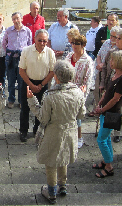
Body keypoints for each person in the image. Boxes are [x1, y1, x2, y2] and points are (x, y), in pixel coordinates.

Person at [27, 60, 85, 204]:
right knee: (64, 157)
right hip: (70, 131)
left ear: (56, 77)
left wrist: (31, 100)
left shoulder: (50, 95)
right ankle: (63, 186)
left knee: (51, 162)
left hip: (54, 133)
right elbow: (81, 114)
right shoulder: (78, 92)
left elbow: (43, 118)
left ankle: (52, 192)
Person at [92, 50, 122, 178]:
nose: (110, 62)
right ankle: (106, 159)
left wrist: (102, 109)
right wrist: (100, 103)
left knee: (101, 139)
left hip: (112, 113)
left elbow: (115, 99)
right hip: (106, 111)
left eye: (112, 60)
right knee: (106, 137)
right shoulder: (115, 75)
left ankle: (109, 167)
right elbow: (107, 92)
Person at [19, 29, 55, 142]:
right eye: (40, 40)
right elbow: (21, 70)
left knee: (41, 108)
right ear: (34, 39)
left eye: (45, 41)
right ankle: (23, 131)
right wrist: (31, 85)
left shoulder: (50, 52)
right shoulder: (26, 50)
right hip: (27, 82)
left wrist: (41, 85)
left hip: (43, 83)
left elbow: (52, 71)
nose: (42, 43)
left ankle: (37, 130)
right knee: (25, 108)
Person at [64, 34, 93, 148]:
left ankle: (79, 137)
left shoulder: (87, 60)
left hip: (78, 92)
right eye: (73, 43)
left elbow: (88, 79)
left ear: (83, 45)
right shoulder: (69, 56)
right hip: (66, 90)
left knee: (77, 117)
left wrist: (83, 93)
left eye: (77, 43)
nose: (74, 46)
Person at [89, 26, 121, 116]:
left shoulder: (118, 47)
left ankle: (103, 110)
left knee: (106, 93)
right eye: (111, 36)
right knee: (96, 91)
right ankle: (96, 109)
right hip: (100, 70)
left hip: (110, 73)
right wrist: (99, 64)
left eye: (114, 37)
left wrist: (103, 65)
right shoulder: (107, 42)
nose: (112, 38)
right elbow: (99, 55)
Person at [3, 12, 32, 108]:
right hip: (11, 58)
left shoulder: (27, 31)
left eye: (17, 18)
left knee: (21, 81)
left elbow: (29, 44)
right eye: (14, 19)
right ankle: (11, 99)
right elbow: (4, 43)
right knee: (10, 81)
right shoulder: (9, 30)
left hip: (22, 59)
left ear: (21, 19)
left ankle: (21, 100)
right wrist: (8, 53)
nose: (16, 21)